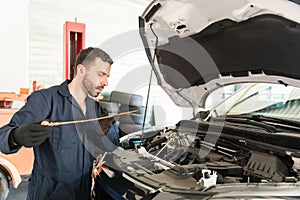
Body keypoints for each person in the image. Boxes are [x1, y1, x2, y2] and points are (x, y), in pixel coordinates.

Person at [0, 47, 119, 199]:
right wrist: (15, 136)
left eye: (107, 76)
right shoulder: (45, 100)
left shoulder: (95, 108)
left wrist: (105, 134)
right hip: (50, 194)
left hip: (84, 193)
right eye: (101, 74)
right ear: (81, 70)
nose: (106, 82)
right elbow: (3, 135)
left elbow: (111, 149)